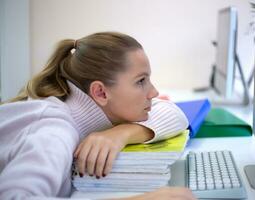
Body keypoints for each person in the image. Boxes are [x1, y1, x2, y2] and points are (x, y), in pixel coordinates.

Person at [0, 32, 196, 200]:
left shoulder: (80, 110)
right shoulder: (53, 132)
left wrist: (121, 133)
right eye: (141, 81)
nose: (153, 92)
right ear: (101, 93)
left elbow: (174, 113)